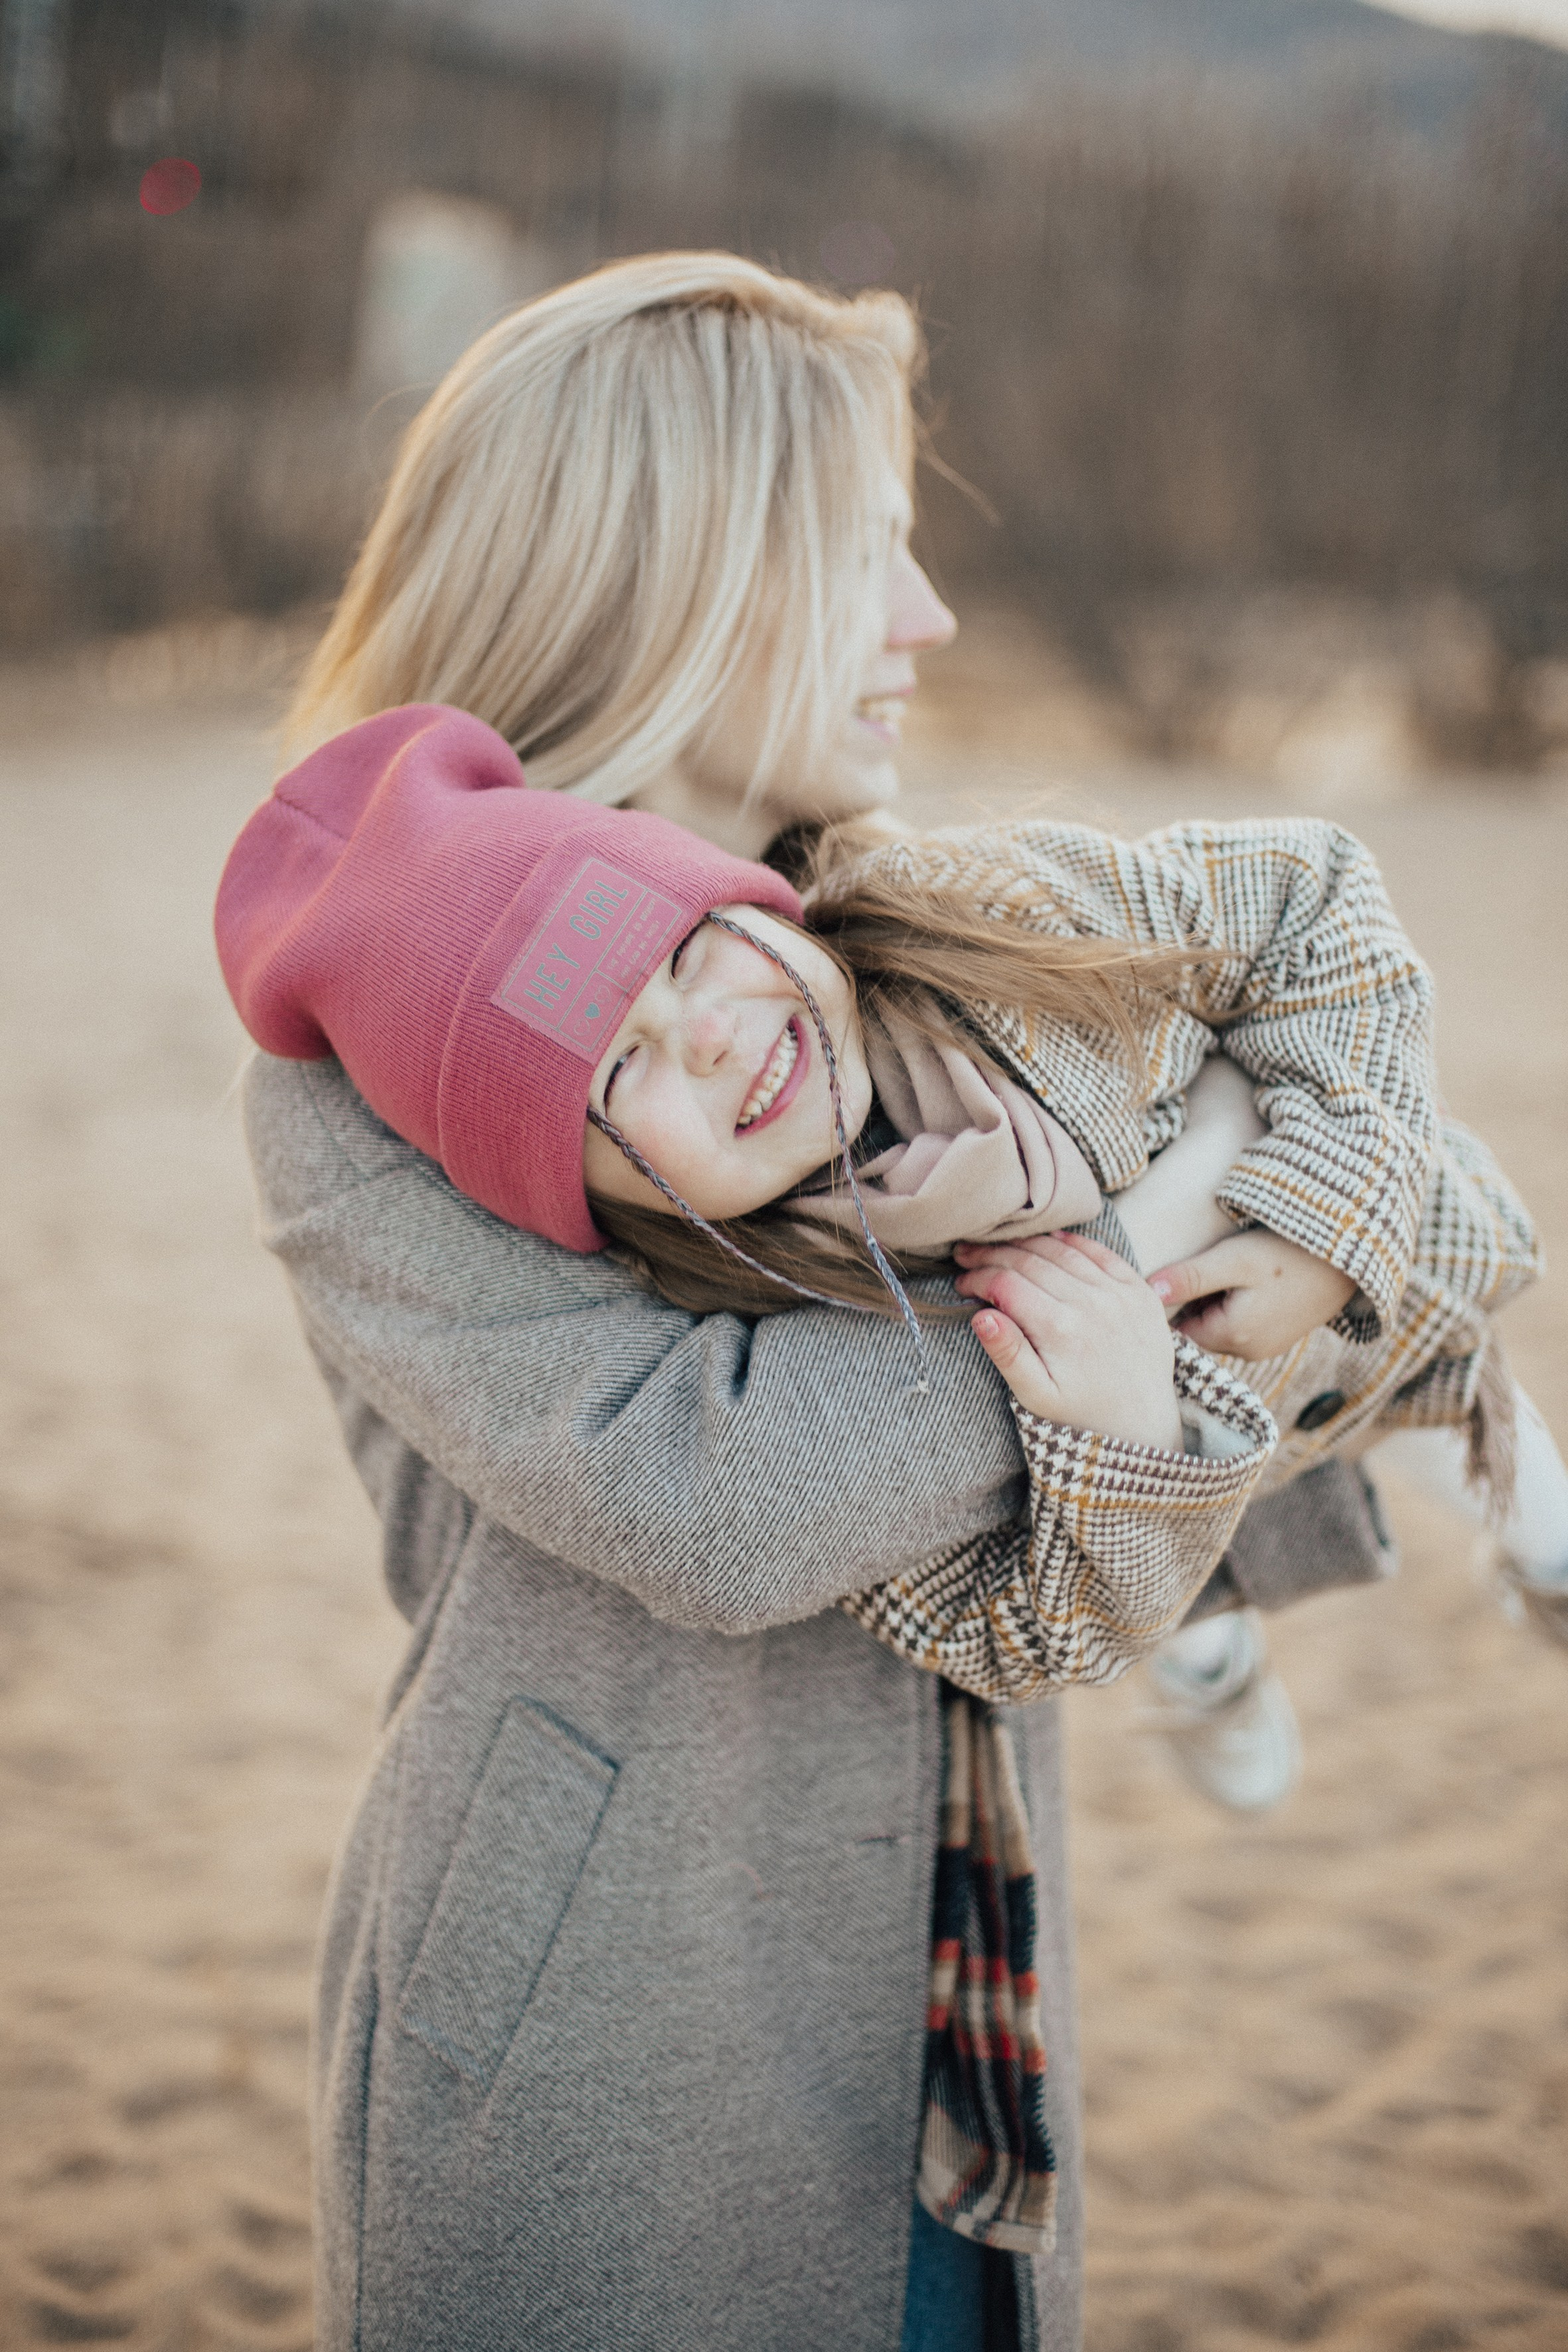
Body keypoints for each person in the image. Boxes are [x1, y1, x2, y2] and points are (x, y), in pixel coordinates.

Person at [220, 253, 1545, 2352]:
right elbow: (712, 1496)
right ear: (670, 581)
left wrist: (1305, 1237)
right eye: (864, 555)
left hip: (964, 1968)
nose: (926, 615)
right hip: (613, 2029)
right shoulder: (388, 1061)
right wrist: (1193, 1233)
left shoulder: (883, 926)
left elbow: (1414, 1219)